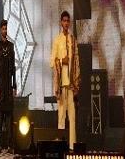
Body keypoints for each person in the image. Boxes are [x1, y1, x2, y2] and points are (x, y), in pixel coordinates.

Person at [50, 11, 80, 150]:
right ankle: (61, 146)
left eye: (68, 21)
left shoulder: (73, 40)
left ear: (69, 23)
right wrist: (62, 61)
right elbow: (51, 61)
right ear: (61, 22)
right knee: (61, 116)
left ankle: (72, 146)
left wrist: (77, 82)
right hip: (62, 84)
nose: (66, 23)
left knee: (72, 117)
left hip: (71, 85)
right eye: (64, 21)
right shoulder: (57, 40)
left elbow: (77, 61)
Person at [0, 19, 16, 154]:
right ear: (0, 30)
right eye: (3, 28)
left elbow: (13, 67)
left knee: (9, 118)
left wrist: (14, 86)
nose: (5, 30)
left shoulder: (11, 46)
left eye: (6, 28)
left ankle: (10, 145)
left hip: (8, 86)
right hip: (0, 86)